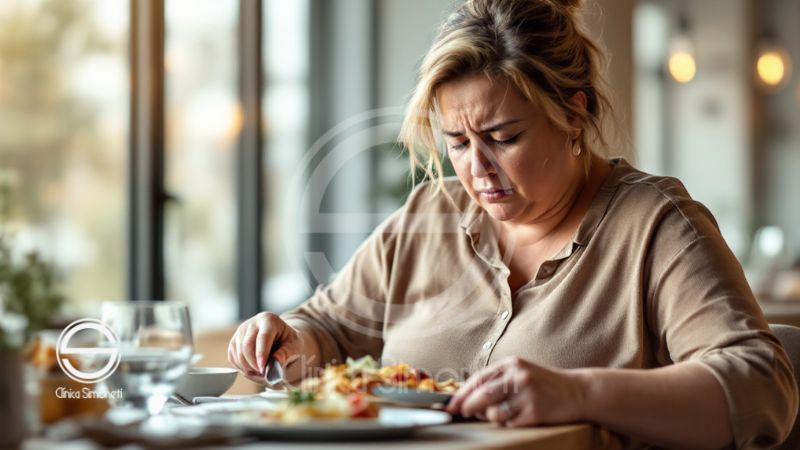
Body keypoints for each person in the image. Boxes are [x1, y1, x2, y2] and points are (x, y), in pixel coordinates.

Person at [228, 0, 798, 447]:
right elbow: (326, 331)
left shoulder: (655, 224)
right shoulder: (430, 214)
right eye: (457, 142)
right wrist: (284, 339)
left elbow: (760, 382)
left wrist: (578, 393)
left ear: (573, 115)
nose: (477, 169)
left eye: (504, 138)